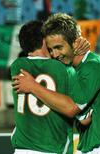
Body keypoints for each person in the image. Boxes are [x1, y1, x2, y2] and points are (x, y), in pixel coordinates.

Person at [13, 13, 100, 154]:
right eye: (51, 49)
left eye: (59, 47)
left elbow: (72, 108)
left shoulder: (94, 66)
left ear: (75, 42)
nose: (55, 54)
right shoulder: (71, 70)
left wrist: (32, 86)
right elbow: (83, 119)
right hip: (92, 147)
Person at [10, 20, 91, 154]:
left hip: (21, 149)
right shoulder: (65, 70)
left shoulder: (17, 67)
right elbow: (83, 118)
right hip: (53, 148)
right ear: (44, 41)